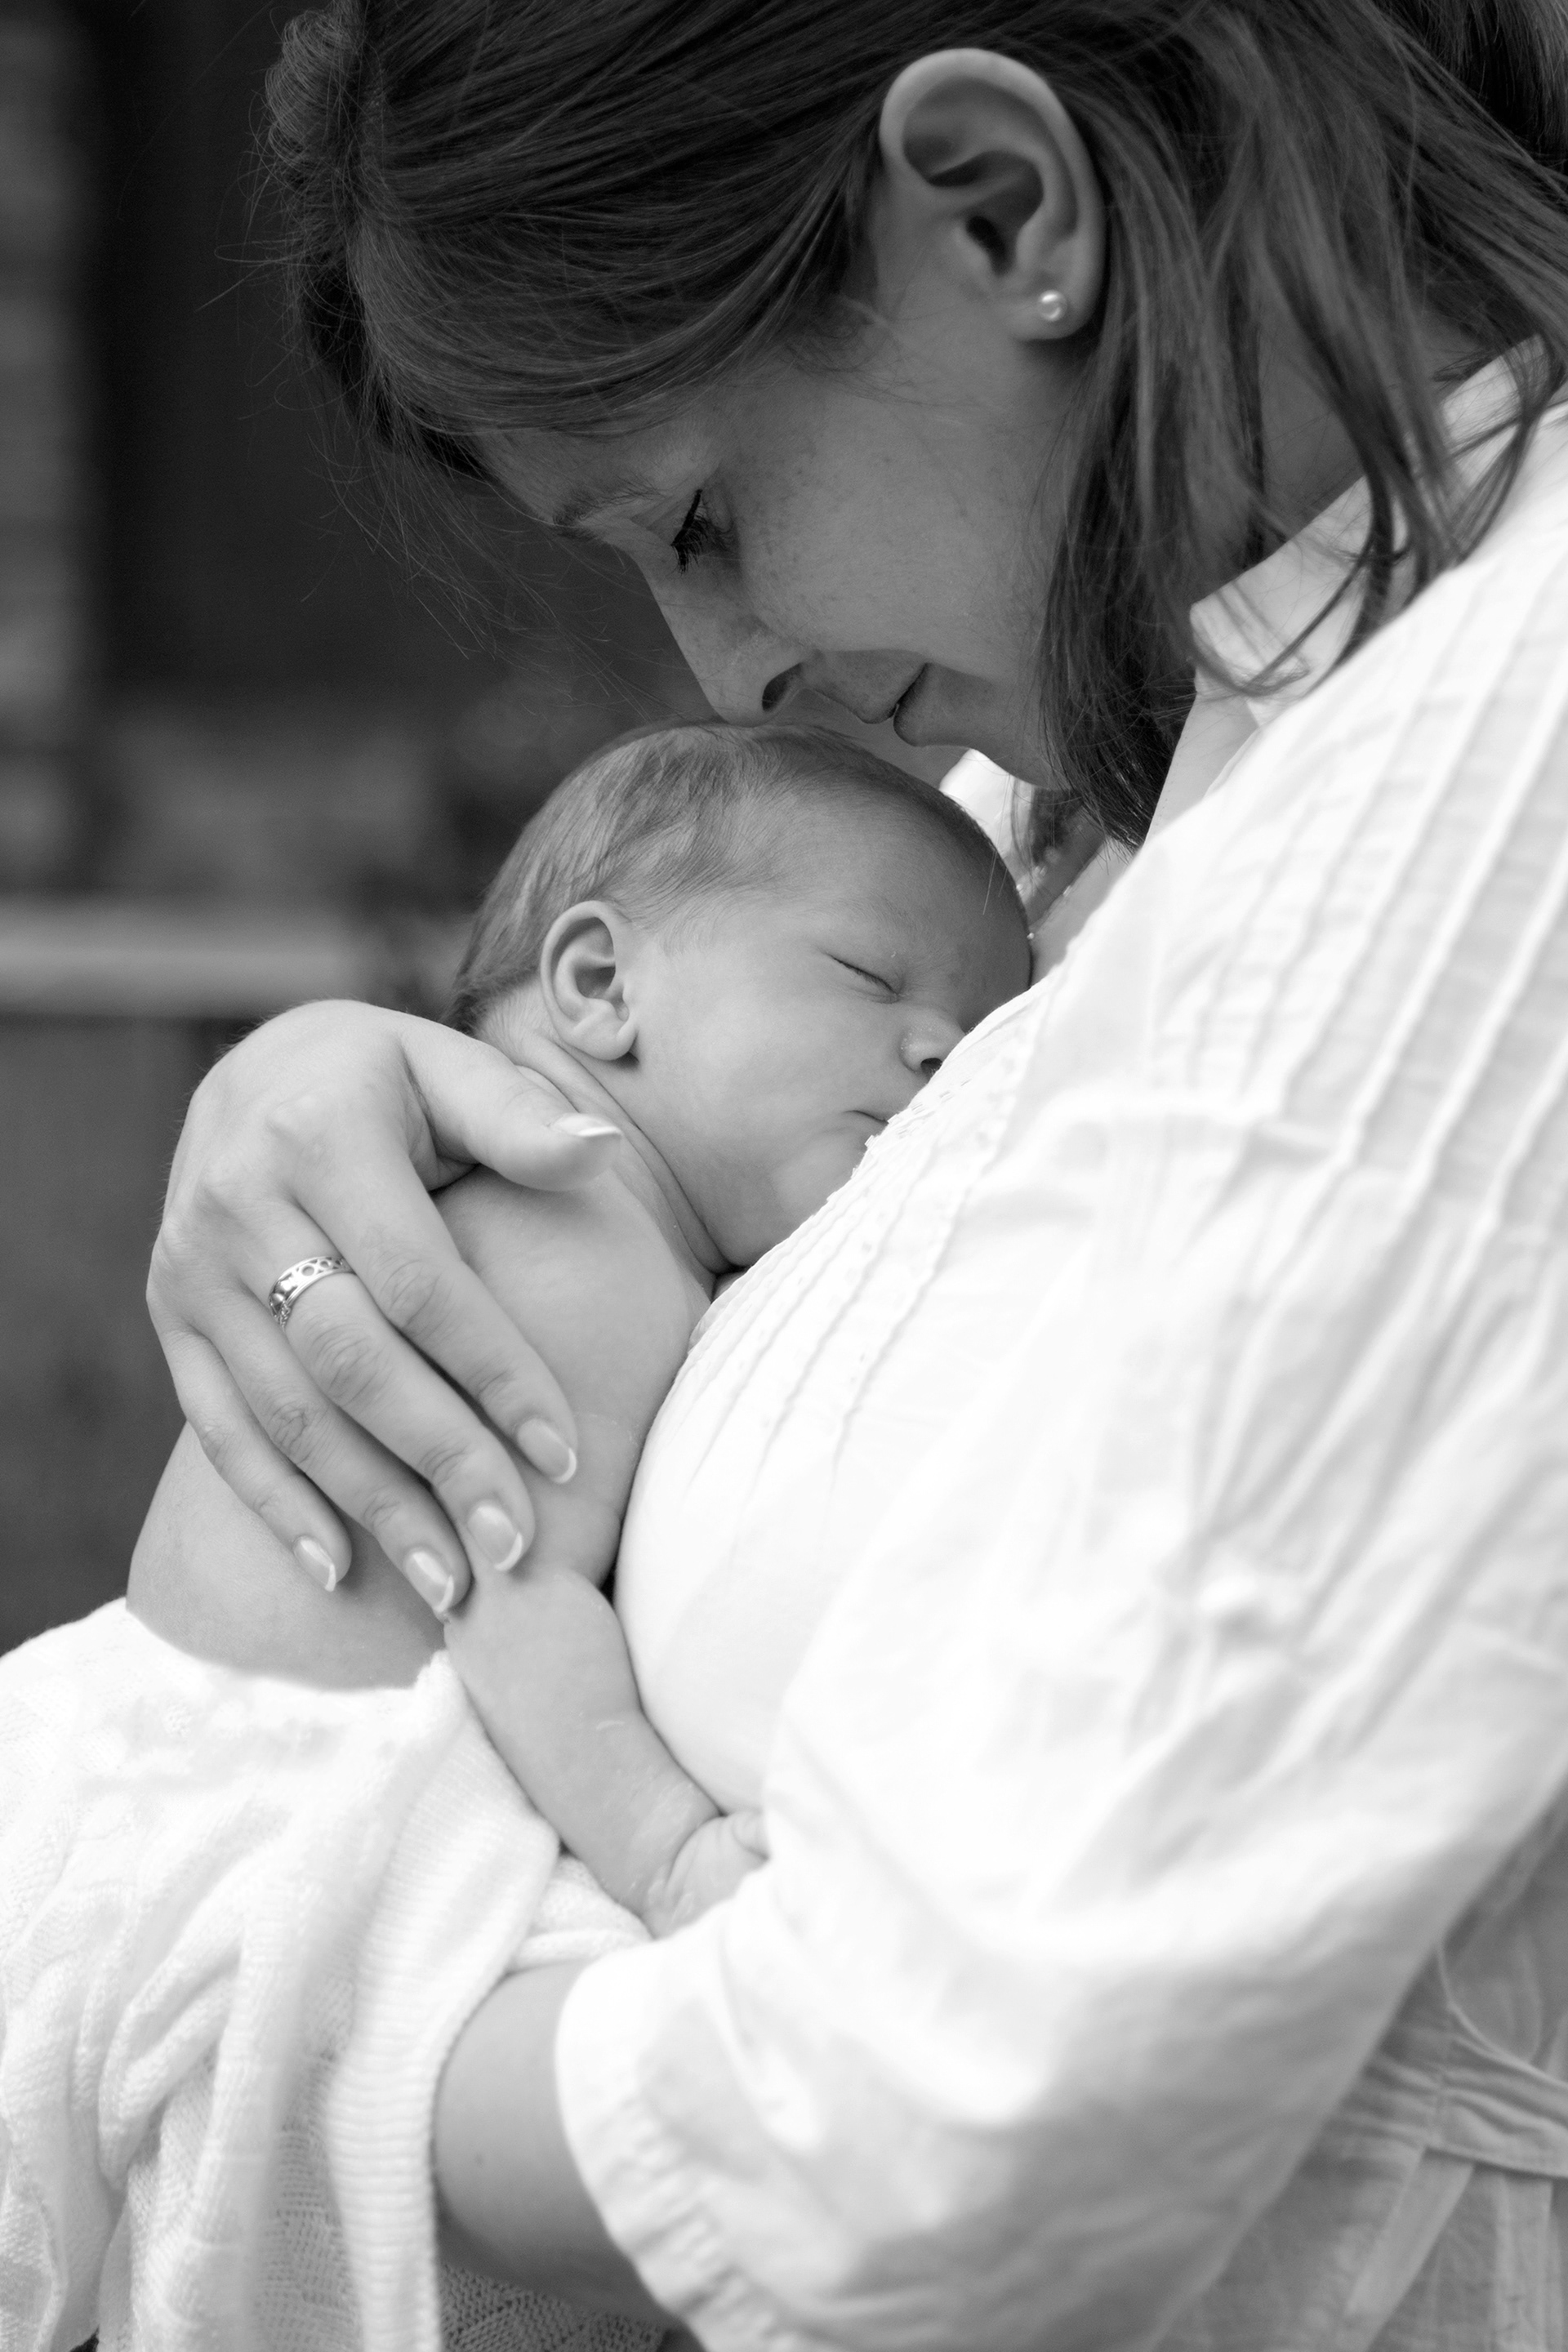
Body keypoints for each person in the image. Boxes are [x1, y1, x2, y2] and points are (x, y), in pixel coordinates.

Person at [138, 2, 1568, 2345]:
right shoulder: (1125, 773)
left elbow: (957, 2097)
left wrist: (181, 2007)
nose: (721, 669)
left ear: (1005, 205)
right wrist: (361, 1097)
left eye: (699, 519)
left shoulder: (1481, 786)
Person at [0, 720, 1028, 2347]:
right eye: (871, 980)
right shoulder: (581, 1233)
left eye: (974, 1026)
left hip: (137, 1739)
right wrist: (669, 1849)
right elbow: (501, 1576)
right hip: (257, 1786)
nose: (941, 1052)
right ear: (601, 987)